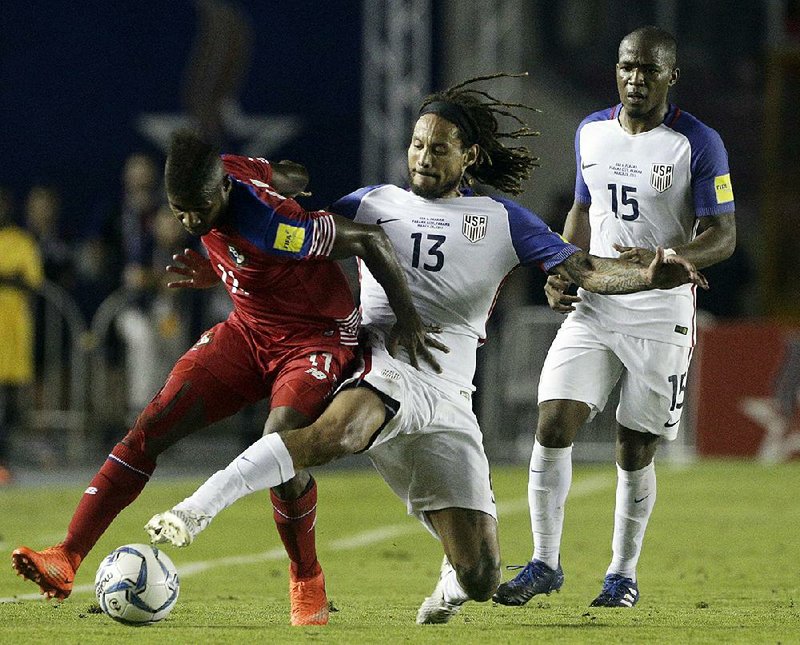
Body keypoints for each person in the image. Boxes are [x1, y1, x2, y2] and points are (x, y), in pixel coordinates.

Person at [143, 73, 705, 624]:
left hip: (450, 396)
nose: (423, 157)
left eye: (439, 148)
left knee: (482, 576)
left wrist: (653, 277)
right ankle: (195, 510)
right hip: (383, 367)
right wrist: (222, 265)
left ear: (469, 156)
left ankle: (451, 577)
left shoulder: (502, 219)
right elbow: (286, 246)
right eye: (416, 144)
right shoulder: (370, 203)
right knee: (334, 435)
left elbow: (586, 268)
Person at [11, 129, 437, 627]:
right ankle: (66, 557)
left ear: (223, 192)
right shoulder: (227, 170)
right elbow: (290, 175)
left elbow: (369, 238)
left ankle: (307, 578)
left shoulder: (276, 226)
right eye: (179, 210)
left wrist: (407, 317)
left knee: (279, 445)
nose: (190, 220)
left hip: (315, 340)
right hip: (249, 329)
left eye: (199, 208)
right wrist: (232, 265)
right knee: (152, 424)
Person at [492, 26, 736, 609]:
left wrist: (673, 259)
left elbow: (723, 237)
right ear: (616, 68)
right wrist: (559, 268)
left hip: (661, 310)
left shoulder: (697, 144)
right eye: (628, 65)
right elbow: (582, 208)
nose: (636, 78)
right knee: (552, 422)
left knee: (634, 448)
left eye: (650, 69)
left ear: (670, 76)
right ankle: (544, 562)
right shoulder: (590, 132)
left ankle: (621, 573)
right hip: (596, 304)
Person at [0, 186, 44, 484]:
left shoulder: (21, 241)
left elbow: (31, 282)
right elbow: (16, 277)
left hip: (13, 330)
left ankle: (4, 459)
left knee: (10, 399)